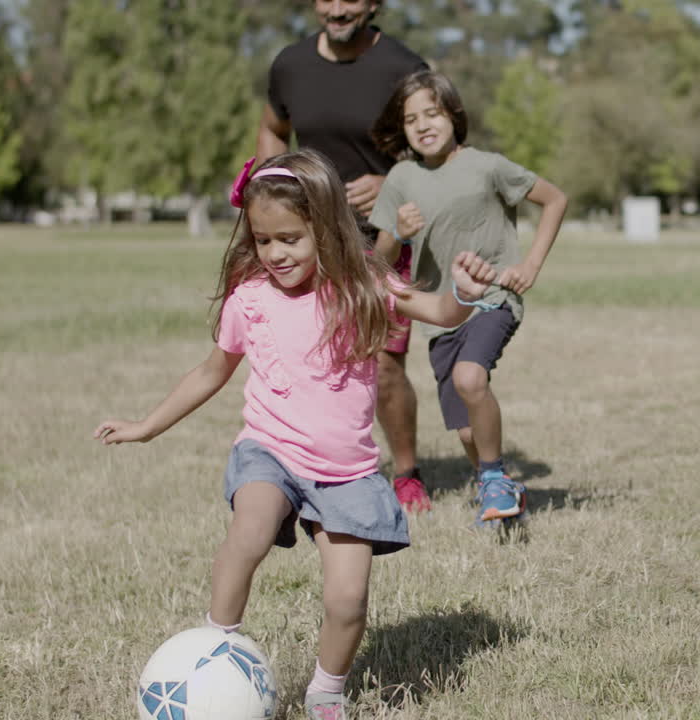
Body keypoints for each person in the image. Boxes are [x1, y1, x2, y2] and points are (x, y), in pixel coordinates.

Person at [93, 150, 498, 720]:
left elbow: (439, 310)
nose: (275, 253)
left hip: (347, 472)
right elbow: (212, 371)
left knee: (348, 599)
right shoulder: (251, 299)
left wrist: (460, 291)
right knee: (250, 531)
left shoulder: (363, 284)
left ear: (325, 228)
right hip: (271, 451)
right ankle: (216, 650)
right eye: (262, 240)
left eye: (290, 238)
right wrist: (146, 426)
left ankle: (326, 692)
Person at [369, 70, 568, 526]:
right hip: (439, 315)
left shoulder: (488, 166)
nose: (422, 125)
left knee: (470, 377)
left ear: (454, 115)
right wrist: (397, 233)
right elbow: (380, 259)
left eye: (432, 113)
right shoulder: (400, 178)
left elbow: (555, 199)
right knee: (464, 427)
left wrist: (530, 265)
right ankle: (497, 491)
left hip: (494, 297)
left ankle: (495, 475)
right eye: (411, 119)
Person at [256, 0, 433, 512]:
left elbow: (436, 146)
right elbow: (273, 127)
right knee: (308, 358)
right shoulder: (290, 64)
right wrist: (267, 189)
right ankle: (310, 467)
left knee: (384, 361)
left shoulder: (403, 66)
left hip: (384, 237)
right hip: (309, 238)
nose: (337, 9)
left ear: (374, 4)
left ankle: (406, 474)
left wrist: (391, 182)